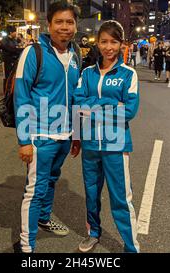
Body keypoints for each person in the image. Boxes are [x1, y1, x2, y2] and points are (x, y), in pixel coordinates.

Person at [14, 0, 81, 253]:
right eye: (59, 22)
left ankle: (43, 218)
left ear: (75, 26)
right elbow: (21, 96)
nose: (64, 27)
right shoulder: (34, 53)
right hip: (40, 134)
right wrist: (24, 141)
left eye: (69, 22)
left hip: (65, 134)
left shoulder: (76, 54)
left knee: (52, 179)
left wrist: (76, 134)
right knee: (35, 189)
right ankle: (26, 246)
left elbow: (75, 95)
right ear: (49, 24)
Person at [73, 20, 140, 253]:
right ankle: (93, 233)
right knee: (91, 194)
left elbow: (128, 111)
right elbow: (77, 104)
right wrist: (111, 103)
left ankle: (131, 247)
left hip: (115, 145)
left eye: (113, 41)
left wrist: (93, 105)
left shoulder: (128, 74)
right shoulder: (87, 73)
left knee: (121, 199)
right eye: (104, 41)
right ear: (97, 43)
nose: (108, 46)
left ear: (121, 44)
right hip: (90, 145)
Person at [0, 25, 23, 90]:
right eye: (15, 32)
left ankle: (11, 92)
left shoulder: (14, 40)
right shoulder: (5, 40)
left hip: (14, 61)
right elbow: (11, 49)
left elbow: (16, 48)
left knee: (13, 77)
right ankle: (6, 93)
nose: (16, 33)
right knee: (6, 77)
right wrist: (20, 49)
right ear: (10, 32)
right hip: (6, 61)